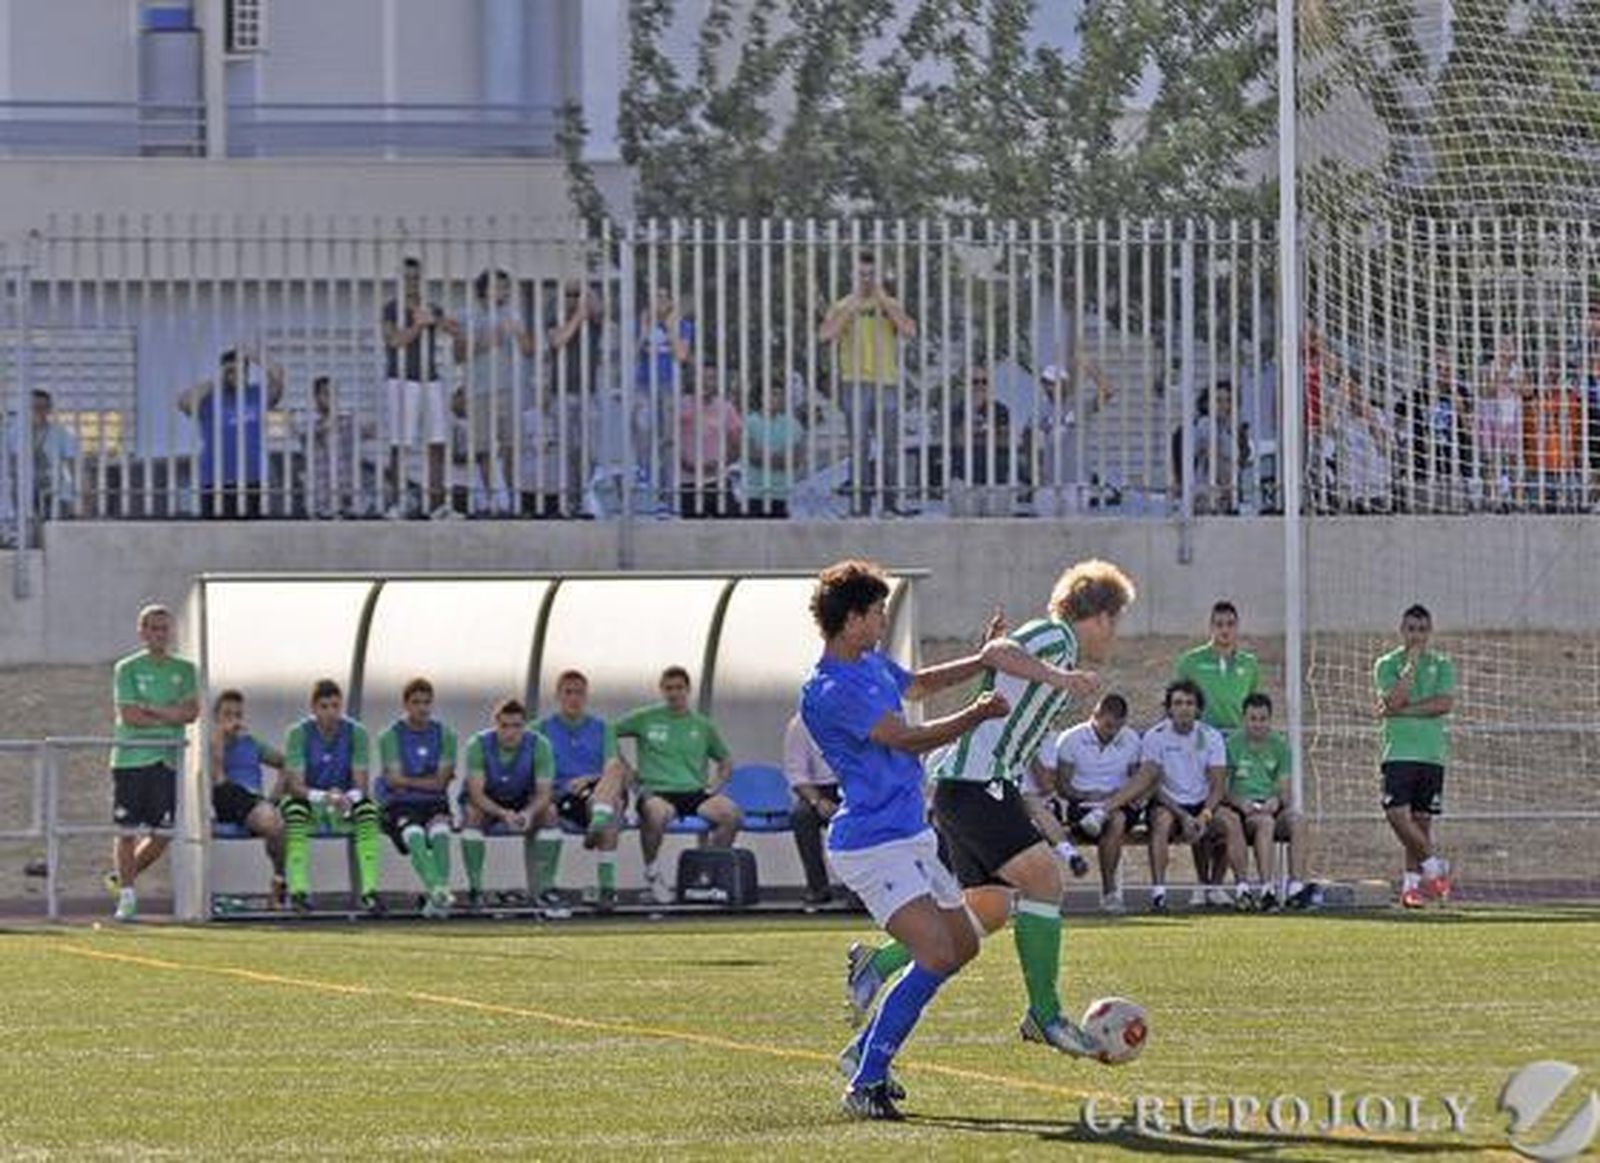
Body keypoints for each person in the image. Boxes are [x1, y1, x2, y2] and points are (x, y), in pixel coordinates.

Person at [844, 561, 1136, 1072]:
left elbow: (1002, 663)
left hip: (972, 783)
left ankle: (879, 977)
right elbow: (999, 653)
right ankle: (1044, 1016)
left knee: (987, 911)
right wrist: (1057, 676)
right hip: (976, 782)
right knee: (1045, 879)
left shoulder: (1055, 642)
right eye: (1118, 620)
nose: (1115, 634)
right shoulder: (1058, 637)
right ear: (1103, 616)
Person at [800, 559, 1010, 1120]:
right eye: (876, 612)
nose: (882, 620)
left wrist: (981, 659)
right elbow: (906, 738)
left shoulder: (868, 663)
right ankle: (865, 1083)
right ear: (851, 620)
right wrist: (978, 713)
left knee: (961, 946)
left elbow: (917, 684)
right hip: (871, 844)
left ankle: (867, 1040)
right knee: (937, 951)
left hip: (910, 835)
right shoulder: (828, 689)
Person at [615, 667, 739, 905]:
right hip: (657, 791)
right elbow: (608, 732)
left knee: (730, 814)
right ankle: (652, 873)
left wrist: (715, 786)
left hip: (694, 792)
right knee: (656, 812)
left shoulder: (701, 725)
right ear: (662, 690)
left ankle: (706, 872)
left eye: (679, 688)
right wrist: (625, 770)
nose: (674, 693)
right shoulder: (645, 718)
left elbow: (725, 760)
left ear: (688, 690)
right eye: (669, 688)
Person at [106, 604, 199, 922]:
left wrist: (153, 711)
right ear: (142, 632)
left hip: (165, 759)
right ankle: (128, 898)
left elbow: (191, 713)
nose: (160, 634)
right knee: (126, 830)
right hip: (130, 759)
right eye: (154, 628)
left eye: (164, 628)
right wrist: (168, 713)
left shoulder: (185, 669)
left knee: (163, 832)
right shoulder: (127, 668)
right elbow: (130, 716)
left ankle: (121, 879)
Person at [1034, 692, 1153, 914]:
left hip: (1119, 803)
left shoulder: (1131, 739)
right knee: (1115, 819)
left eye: (1117, 727)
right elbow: (1063, 786)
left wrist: (1124, 798)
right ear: (1095, 716)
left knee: (1118, 814)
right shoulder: (1071, 739)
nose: (1111, 732)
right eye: (1107, 726)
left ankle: (1109, 893)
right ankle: (1110, 893)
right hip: (1082, 805)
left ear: (1123, 723)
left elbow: (1135, 778)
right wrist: (1087, 795)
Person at [819, 252, 916, 516]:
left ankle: (890, 505)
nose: (866, 279)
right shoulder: (842, 305)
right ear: (853, 276)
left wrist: (883, 300)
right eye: (861, 274)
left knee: (890, 447)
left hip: (887, 380)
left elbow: (909, 331)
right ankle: (859, 507)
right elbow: (825, 335)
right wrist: (851, 308)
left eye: (871, 274)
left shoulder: (890, 303)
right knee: (859, 446)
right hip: (855, 381)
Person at [1140, 678, 1250, 913]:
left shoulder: (1211, 736)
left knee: (1231, 820)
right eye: (1178, 703)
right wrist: (1182, 816)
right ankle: (1158, 895)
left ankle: (1244, 892)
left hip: (1203, 803)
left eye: (1190, 703)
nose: (1184, 708)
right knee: (1161, 821)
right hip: (1168, 803)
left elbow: (1218, 786)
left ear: (1198, 709)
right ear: (1169, 708)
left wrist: (1203, 816)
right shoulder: (1154, 736)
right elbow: (1153, 786)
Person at [1373, 604, 1455, 908]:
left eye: (1422, 630)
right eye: (1411, 629)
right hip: (1399, 752)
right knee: (1396, 814)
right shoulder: (1386, 664)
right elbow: (1393, 698)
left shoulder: (1442, 664)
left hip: (1432, 754)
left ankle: (1411, 888)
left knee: (1421, 824)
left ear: (1429, 631)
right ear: (1402, 630)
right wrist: (1410, 666)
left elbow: (1443, 703)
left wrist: (1403, 711)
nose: (1416, 636)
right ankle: (1435, 868)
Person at [279, 678, 383, 915]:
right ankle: (299, 891)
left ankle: (369, 891)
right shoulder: (298, 733)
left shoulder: (357, 732)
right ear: (313, 708)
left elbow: (361, 785)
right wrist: (325, 796)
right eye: (324, 706)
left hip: (343, 804)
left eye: (336, 706)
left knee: (368, 810)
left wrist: (347, 797)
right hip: (309, 801)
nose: (331, 712)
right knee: (295, 812)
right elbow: (296, 786)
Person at [538, 670, 630, 911]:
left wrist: (590, 778)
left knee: (615, 769)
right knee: (614, 807)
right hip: (568, 796)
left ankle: (598, 817)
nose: (574, 698)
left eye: (579, 692)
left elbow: (613, 766)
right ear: (558, 695)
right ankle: (604, 885)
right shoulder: (542, 728)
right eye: (568, 692)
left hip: (600, 787)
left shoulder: (602, 727)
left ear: (586, 695)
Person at [381, 256, 462, 520]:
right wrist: (417, 325)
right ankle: (395, 502)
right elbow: (393, 340)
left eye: (416, 278)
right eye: (407, 278)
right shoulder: (391, 309)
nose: (412, 283)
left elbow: (454, 330)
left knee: (437, 441)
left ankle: (437, 504)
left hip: (431, 378)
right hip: (402, 379)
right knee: (400, 442)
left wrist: (436, 321)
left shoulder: (430, 306)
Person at [458, 697, 555, 911]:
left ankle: (547, 891)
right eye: (504, 726)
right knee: (472, 816)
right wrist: (503, 814)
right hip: (487, 801)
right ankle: (476, 891)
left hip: (522, 799)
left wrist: (528, 813)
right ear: (495, 724)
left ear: (525, 726)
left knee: (550, 813)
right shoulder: (478, 744)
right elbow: (476, 793)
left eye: (517, 726)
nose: (510, 732)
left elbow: (544, 792)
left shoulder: (540, 745)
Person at [1223, 691, 1315, 910]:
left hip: (1269, 807)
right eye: (1253, 719)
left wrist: (1276, 800)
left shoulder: (1280, 745)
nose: (1258, 724)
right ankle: (1267, 890)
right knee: (1265, 823)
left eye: (1263, 719)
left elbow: (1284, 788)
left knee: (1298, 820)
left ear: (1270, 719)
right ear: (1243, 719)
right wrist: (1240, 802)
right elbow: (1222, 789)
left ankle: (1295, 889)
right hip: (1243, 811)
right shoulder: (1231, 745)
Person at [377, 677, 459, 918]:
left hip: (434, 803)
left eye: (427, 702)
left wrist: (408, 781)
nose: (422, 708)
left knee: (441, 832)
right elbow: (392, 780)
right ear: (405, 704)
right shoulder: (390, 736)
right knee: (413, 834)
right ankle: (439, 891)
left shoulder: (446, 734)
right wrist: (429, 781)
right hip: (399, 804)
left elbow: (441, 783)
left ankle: (437, 896)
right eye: (416, 702)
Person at [458, 268, 534, 516]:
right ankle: (493, 500)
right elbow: (458, 355)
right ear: (484, 289)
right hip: (478, 389)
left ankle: (513, 499)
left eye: (505, 287)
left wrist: (518, 333)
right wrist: (483, 341)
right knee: (483, 448)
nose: (503, 292)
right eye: (498, 286)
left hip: (508, 387)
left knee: (511, 445)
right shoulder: (467, 316)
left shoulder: (513, 314)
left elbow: (528, 350)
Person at [177, 347, 285, 518]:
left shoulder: (256, 394)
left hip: (251, 480)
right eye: (230, 371)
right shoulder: (209, 399)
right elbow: (184, 403)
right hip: (214, 481)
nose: (235, 375)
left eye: (240, 371)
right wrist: (216, 380)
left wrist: (254, 355)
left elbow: (278, 377)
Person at [209, 689, 287, 906]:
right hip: (226, 798)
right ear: (217, 717)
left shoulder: (251, 742)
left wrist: (274, 797)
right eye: (228, 714)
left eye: (238, 715)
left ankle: (279, 880)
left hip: (255, 804)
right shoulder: (213, 740)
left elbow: (286, 763)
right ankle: (281, 881)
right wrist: (222, 735)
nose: (234, 720)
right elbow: (216, 776)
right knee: (270, 818)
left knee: (279, 825)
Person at [544, 278, 604, 511]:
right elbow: (558, 340)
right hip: (562, 393)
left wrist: (586, 289)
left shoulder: (595, 320)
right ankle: (568, 499)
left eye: (577, 295)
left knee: (588, 449)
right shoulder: (554, 317)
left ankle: (586, 497)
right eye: (568, 295)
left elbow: (600, 309)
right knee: (566, 450)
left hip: (588, 393)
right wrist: (578, 317)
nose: (573, 300)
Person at [782, 711, 839, 908]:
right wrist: (817, 801)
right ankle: (818, 887)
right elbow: (797, 775)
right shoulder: (800, 724)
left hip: (854, 785)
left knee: (867, 815)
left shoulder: (861, 715)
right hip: (818, 789)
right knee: (802, 816)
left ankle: (861, 890)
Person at [677, 359, 743, 517]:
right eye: (702, 377)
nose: (707, 383)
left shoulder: (726, 407)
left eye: (711, 378)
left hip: (718, 481)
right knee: (691, 535)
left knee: (731, 532)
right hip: (688, 483)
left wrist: (722, 463)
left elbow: (738, 444)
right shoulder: (680, 405)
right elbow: (668, 440)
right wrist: (683, 462)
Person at [10, 389, 78, 521]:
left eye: (43, 407)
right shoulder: (14, 432)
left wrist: (77, 492)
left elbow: (73, 464)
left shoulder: (61, 433)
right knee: (25, 526)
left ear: (49, 409)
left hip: (54, 489)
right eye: (34, 407)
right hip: (22, 489)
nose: (38, 411)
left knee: (54, 524)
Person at [742, 374, 804, 518]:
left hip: (782, 494)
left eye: (781, 394)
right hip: (754, 493)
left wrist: (765, 457)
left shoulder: (793, 425)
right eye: (774, 394)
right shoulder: (749, 422)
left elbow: (795, 460)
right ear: (761, 396)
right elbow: (753, 457)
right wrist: (780, 459)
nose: (778, 398)